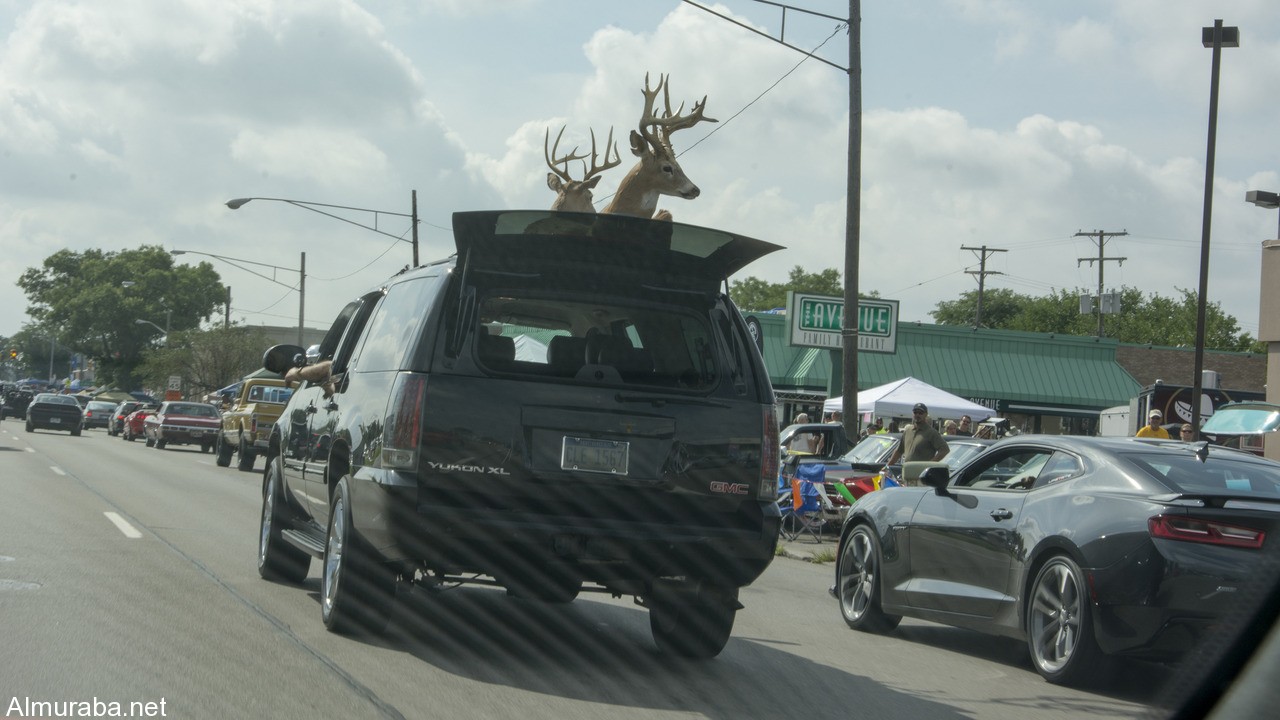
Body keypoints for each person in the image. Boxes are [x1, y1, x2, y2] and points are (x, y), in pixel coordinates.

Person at [888, 403, 950, 482]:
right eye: (915, 412)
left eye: (920, 413)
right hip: (906, 474)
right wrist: (888, 466)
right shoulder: (908, 430)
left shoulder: (931, 432)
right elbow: (899, 450)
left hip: (922, 476)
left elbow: (945, 450)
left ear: (926, 415)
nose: (917, 415)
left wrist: (930, 465)